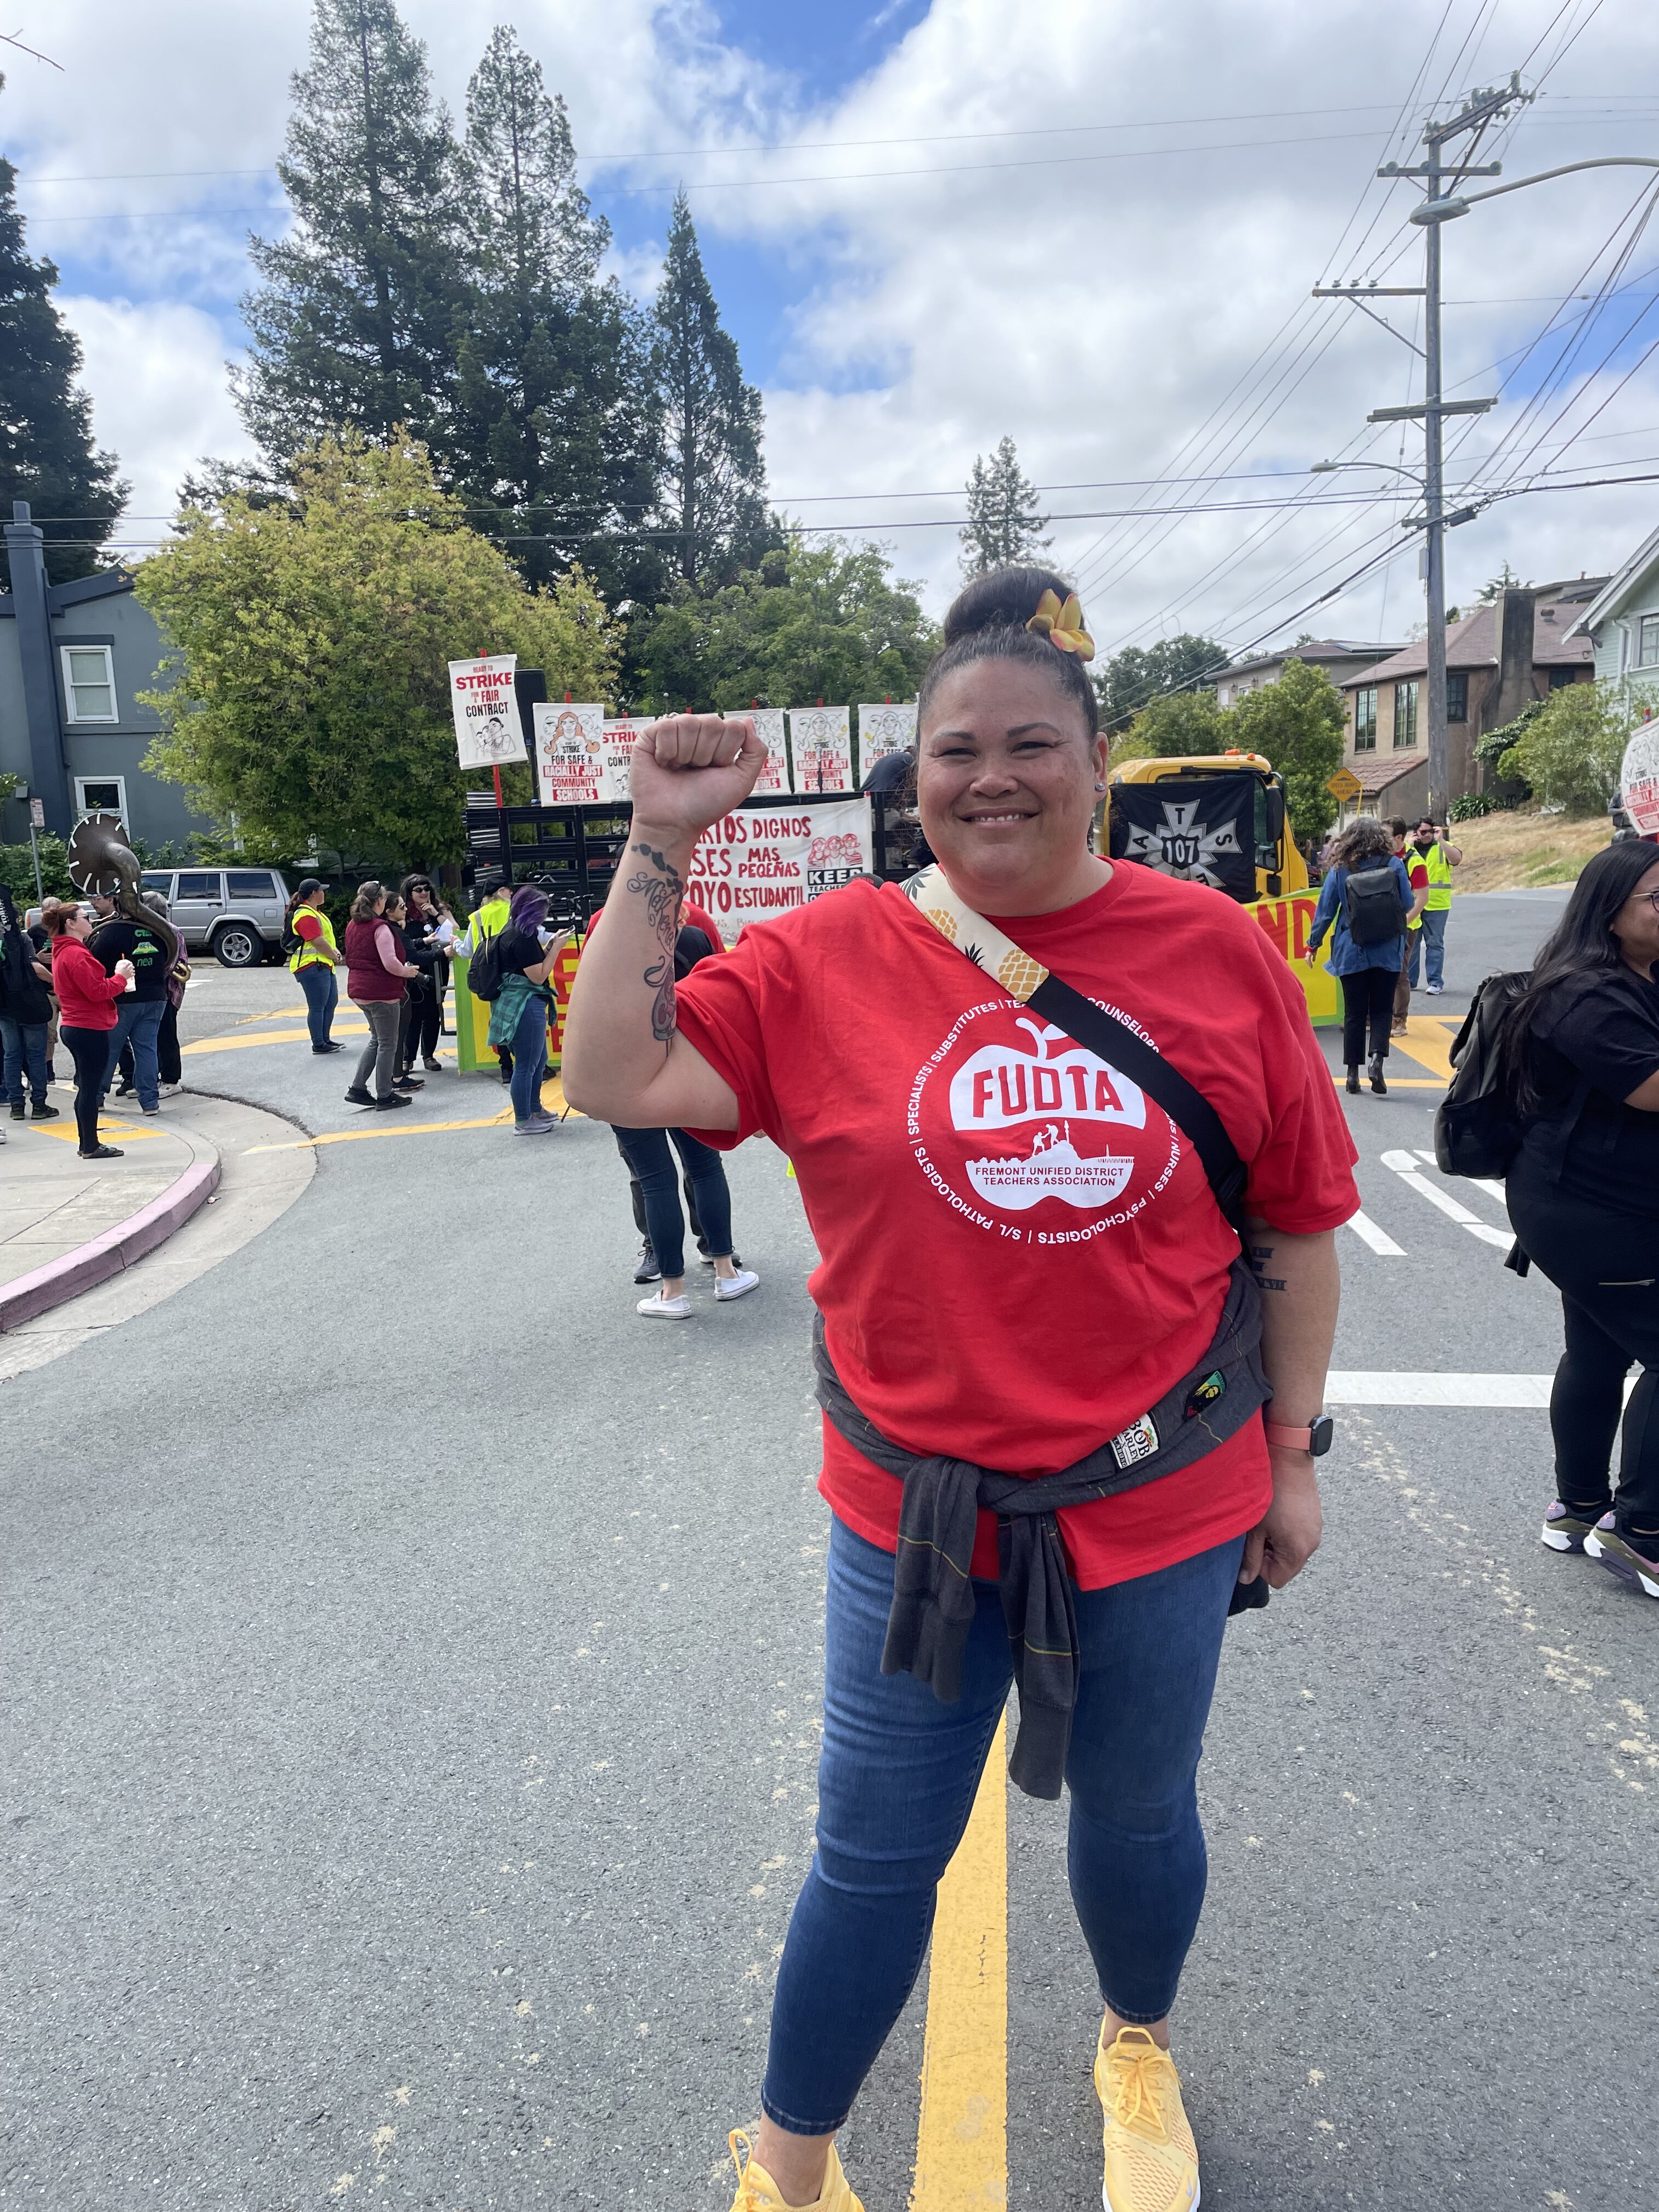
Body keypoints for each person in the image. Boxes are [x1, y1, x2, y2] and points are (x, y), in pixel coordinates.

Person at [563, 565, 1357, 2212]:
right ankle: (791, 2169)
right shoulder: (822, 960)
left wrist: (1292, 1457)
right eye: (954, 750)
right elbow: (613, 1071)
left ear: (1095, 757)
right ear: (910, 775)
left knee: (1139, 1820)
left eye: (1030, 745)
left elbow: (1291, 1222)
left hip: (1163, 1500)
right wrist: (665, 835)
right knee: (872, 1856)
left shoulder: (1209, 951)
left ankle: (1136, 2045)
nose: (990, 776)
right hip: (914, 1522)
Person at [1501, 842, 1659, 1596]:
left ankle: (1579, 1509)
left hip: (1604, 1202)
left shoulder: (1639, 976)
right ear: (1611, 909)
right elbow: (1649, 1090)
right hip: (1589, 1210)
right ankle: (1642, 1531)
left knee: (1599, 1353)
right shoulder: (1585, 994)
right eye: (1657, 899)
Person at [610, 913, 759, 1316]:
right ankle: (726, 1270)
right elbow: (723, 1001)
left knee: (655, 1181)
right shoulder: (694, 937)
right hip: (690, 1067)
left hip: (628, 1071)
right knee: (706, 1168)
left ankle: (673, 1292)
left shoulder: (614, 944)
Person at [1305, 815, 1414, 1096]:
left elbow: (1326, 910)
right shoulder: (1394, 864)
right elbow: (1408, 903)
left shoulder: (1341, 868)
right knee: (1381, 1010)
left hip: (1351, 948)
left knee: (1354, 1013)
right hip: (1388, 949)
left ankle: (1352, 1074)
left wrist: (1313, 944)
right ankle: (1376, 1061)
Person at [45, 901, 132, 1159]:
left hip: (76, 1025)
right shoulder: (75, 954)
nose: (91, 920)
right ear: (70, 923)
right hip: (87, 1027)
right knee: (90, 1089)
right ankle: (91, 1145)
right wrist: (121, 978)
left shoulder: (64, 950)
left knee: (86, 1086)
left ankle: (87, 1143)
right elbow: (97, 992)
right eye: (85, 917)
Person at [486, 884, 568, 1133]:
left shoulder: (515, 932)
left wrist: (549, 946)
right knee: (526, 1063)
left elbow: (530, 963)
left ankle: (534, 1108)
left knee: (538, 1059)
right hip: (524, 1003)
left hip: (520, 1001)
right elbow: (538, 975)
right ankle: (523, 1120)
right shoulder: (522, 937)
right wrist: (556, 949)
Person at [88, 897, 171, 1116]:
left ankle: (97, 1098)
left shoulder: (111, 932)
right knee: (147, 1049)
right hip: (156, 996)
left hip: (123, 999)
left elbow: (94, 965)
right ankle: (150, 1102)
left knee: (111, 1049)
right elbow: (168, 959)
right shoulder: (160, 931)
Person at [342, 882, 419, 1111]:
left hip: (360, 990)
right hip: (381, 993)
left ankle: (358, 1088)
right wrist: (409, 972)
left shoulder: (353, 925)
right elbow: (391, 964)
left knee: (377, 1040)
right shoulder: (380, 928)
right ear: (380, 902)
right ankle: (385, 1095)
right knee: (387, 1044)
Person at [0, 883, 59, 1126]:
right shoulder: (22, 940)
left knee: (11, 1055)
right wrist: (58, 984)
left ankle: (15, 1105)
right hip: (30, 1005)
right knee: (35, 1055)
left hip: (4, 1007)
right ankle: (39, 1105)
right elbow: (36, 968)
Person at [453, 873, 516, 1082]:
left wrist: (454, 943)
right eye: (509, 889)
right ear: (501, 892)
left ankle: (506, 1066)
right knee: (523, 1018)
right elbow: (539, 934)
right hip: (518, 972)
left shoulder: (477, 917)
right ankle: (536, 1064)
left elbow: (467, 951)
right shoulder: (515, 912)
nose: (512, 893)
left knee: (499, 1020)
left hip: (491, 975)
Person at [398, 875, 453, 1073]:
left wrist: (436, 913)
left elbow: (454, 931)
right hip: (415, 967)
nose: (423, 893)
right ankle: (408, 1058)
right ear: (410, 894)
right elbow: (403, 941)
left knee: (433, 1012)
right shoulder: (403, 912)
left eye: (426, 888)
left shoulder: (440, 908)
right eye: (418, 890)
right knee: (413, 1015)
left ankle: (428, 1055)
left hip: (438, 964)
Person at [286, 880, 345, 1053]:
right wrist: (333, 955)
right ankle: (319, 1043)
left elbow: (323, 937)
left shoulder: (315, 913)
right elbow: (317, 940)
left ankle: (325, 1040)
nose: (324, 893)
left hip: (322, 965)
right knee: (318, 1006)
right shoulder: (306, 915)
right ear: (313, 893)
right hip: (312, 967)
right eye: (321, 891)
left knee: (330, 1003)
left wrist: (334, 951)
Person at [1406, 816, 1462, 995]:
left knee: (1435, 943)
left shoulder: (1442, 848)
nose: (1427, 835)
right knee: (1411, 945)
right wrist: (1409, 845)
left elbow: (1457, 859)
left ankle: (1435, 983)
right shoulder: (1409, 850)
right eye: (1423, 832)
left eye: (1431, 831)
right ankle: (1410, 981)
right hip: (1413, 904)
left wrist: (1442, 840)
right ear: (1416, 833)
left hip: (1437, 905)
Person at [379, 894, 426, 1094]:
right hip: (394, 988)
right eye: (401, 906)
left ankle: (392, 1078)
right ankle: (395, 1078)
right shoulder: (387, 930)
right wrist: (409, 972)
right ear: (387, 910)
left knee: (385, 1039)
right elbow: (400, 959)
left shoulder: (376, 927)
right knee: (391, 1038)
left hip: (380, 989)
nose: (406, 909)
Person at [1387, 818, 1430, 1036]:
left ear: (1399, 838)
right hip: (1383, 925)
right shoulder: (1381, 858)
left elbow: (1422, 899)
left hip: (1406, 927)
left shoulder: (1415, 862)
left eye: (1386, 835)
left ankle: (1399, 1020)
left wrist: (1404, 923)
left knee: (1399, 973)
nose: (1381, 839)